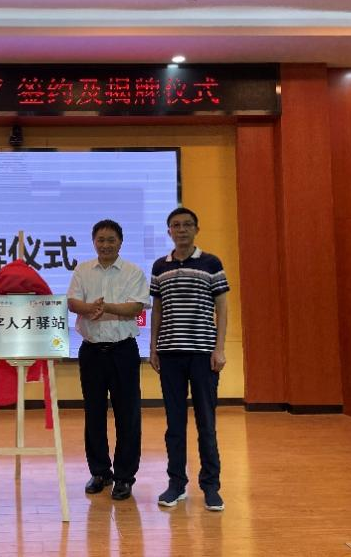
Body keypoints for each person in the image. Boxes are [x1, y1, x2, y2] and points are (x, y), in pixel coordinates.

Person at [150, 207, 229, 512]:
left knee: (206, 422)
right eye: (175, 225)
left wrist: (219, 349)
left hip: (203, 354)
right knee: (174, 424)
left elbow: (222, 309)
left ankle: (211, 487)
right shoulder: (160, 266)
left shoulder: (211, 263)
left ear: (197, 229)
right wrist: (154, 348)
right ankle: (176, 484)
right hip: (170, 354)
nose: (181, 229)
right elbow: (157, 310)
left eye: (186, 225)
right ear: (168, 231)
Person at [67, 219, 151, 501]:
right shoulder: (82, 270)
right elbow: (72, 302)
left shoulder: (133, 271)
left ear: (120, 242)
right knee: (94, 413)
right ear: (94, 242)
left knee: (128, 415)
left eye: (111, 240)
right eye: (100, 240)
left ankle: (124, 477)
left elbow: (136, 307)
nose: (105, 245)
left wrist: (103, 308)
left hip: (123, 351)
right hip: (91, 351)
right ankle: (100, 472)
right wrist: (90, 307)